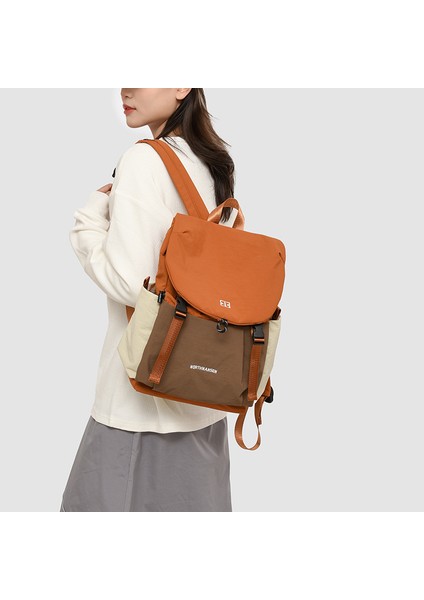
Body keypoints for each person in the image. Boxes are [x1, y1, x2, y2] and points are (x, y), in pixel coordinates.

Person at [60, 88, 235, 512]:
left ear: (182, 85)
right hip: (204, 404)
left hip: (138, 409)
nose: (126, 87)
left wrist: (87, 226)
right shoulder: (210, 163)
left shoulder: (144, 159)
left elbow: (131, 284)